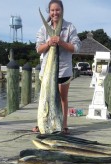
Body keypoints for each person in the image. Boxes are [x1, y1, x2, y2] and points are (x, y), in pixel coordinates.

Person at [33, 0, 81, 134]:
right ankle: (41, 123)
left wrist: (61, 42)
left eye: (57, 10)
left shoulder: (70, 27)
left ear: (62, 10)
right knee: (44, 98)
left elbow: (76, 47)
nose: (55, 13)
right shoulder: (43, 29)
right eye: (52, 10)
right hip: (47, 71)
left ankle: (63, 125)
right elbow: (38, 49)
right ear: (49, 11)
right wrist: (49, 43)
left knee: (63, 98)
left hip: (64, 70)